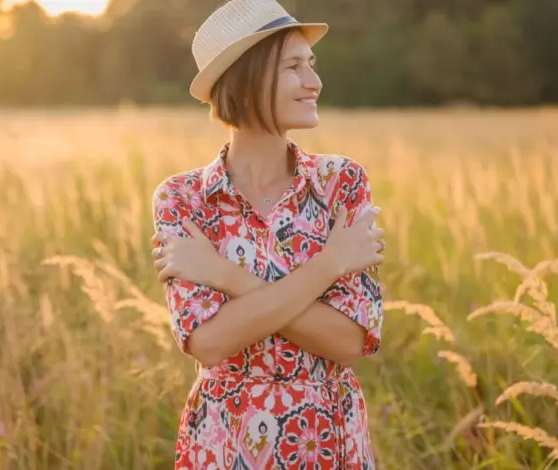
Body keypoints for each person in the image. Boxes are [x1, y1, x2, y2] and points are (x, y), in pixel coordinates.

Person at [149, 0, 385, 468]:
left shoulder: (341, 184)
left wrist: (225, 276)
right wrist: (330, 264)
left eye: (311, 65)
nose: (314, 82)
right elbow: (209, 344)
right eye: (294, 67)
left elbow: (348, 342)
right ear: (246, 77)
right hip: (227, 439)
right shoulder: (182, 199)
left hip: (327, 436)